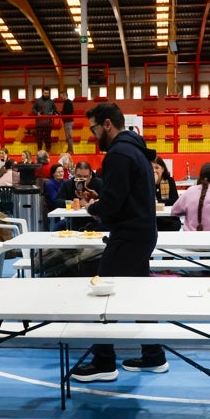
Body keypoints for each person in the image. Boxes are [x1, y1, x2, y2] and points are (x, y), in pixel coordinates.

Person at [71, 102, 161, 382]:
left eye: (94, 129)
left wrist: (93, 208)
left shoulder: (118, 154)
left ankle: (104, 362)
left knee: (103, 295)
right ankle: (154, 355)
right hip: (143, 232)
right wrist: (103, 200)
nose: (94, 135)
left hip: (129, 235)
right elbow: (125, 196)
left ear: (107, 124)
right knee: (139, 297)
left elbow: (114, 203)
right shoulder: (136, 148)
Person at [171, 163, 210, 231]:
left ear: (200, 178)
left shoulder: (190, 191)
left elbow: (174, 211)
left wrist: (189, 211)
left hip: (191, 238)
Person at [32, 87, 58, 152]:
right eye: (45, 93)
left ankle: (48, 150)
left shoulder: (51, 102)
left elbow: (55, 110)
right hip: (39, 122)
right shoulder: (38, 101)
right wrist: (37, 113)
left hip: (48, 122)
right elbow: (33, 109)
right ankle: (39, 150)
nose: (46, 94)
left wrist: (55, 113)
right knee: (39, 137)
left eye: (48, 93)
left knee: (48, 137)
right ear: (43, 93)